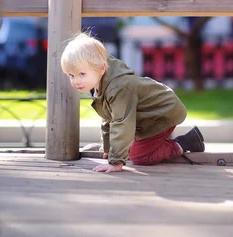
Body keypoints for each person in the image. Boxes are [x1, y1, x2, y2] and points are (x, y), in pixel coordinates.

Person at [60, 33, 205, 173]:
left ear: (101, 68)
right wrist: (108, 149)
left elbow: (122, 122)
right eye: (71, 75)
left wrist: (116, 161)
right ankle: (146, 144)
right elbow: (108, 117)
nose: (76, 81)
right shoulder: (99, 82)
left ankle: (185, 142)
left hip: (162, 113)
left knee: (138, 156)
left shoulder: (118, 88)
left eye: (81, 74)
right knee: (127, 147)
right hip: (143, 117)